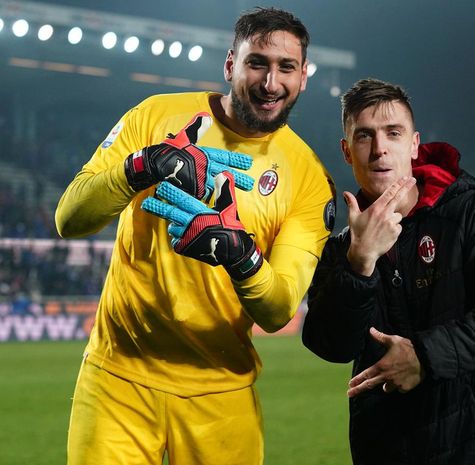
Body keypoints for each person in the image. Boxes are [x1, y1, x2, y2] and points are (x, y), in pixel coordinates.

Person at [55, 7, 335, 465]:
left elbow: (279, 307)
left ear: (303, 77)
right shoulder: (155, 115)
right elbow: (70, 218)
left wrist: (241, 257)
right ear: (230, 64)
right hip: (118, 377)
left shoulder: (307, 177)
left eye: (286, 67)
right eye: (257, 62)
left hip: (221, 392)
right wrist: (140, 168)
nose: (270, 82)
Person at [302, 78, 475, 465]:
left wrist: (424, 357)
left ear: (413, 145)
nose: (379, 148)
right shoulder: (340, 250)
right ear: (347, 151)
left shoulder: (469, 214)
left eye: (392, 133)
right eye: (364, 136)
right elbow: (330, 345)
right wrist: (359, 265)